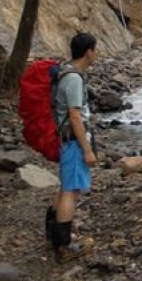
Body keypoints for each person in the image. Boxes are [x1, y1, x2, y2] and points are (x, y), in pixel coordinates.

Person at [45, 32, 98, 261]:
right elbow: (75, 116)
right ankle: (64, 247)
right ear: (89, 51)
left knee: (65, 186)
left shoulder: (64, 71)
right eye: (95, 49)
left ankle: (53, 233)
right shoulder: (74, 78)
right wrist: (87, 150)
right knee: (71, 191)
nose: (97, 54)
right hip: (73, 141)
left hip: (65, 139)